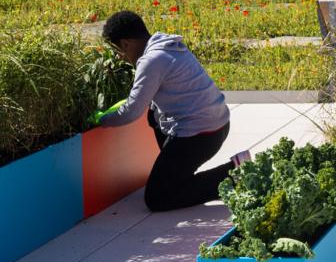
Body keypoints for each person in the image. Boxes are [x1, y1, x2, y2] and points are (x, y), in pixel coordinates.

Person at [88, 11, 241, 212]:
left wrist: (102, 120)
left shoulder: (152, 60)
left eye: (118, 51)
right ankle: (177, 171)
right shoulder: (168, 46)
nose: (119, 58)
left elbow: (132, 111)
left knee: (158, 197)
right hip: (217, 125)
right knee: (153, 113)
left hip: (201, 135)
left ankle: (235, 175)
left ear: (126, 44)